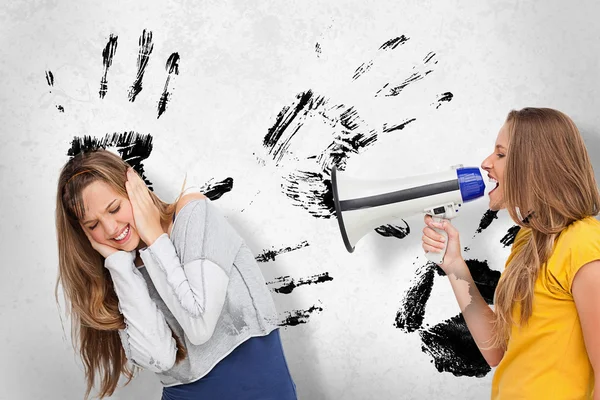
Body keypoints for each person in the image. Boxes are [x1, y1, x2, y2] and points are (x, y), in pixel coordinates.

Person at [55, 149, 297, 400]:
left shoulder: (192, 215)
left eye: (114, 209)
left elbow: (199, 324)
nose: (110, 228)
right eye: (92, 225)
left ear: (133, 190)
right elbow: (160, 358)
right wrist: (119, 267)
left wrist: (155, 238)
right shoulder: (119, 271)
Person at [422, 108, 600, 399]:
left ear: (534, 165)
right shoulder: (529, 240)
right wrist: (454, 265)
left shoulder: (584, 243)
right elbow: (496, 350)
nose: (486, 164)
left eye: (501, 155)